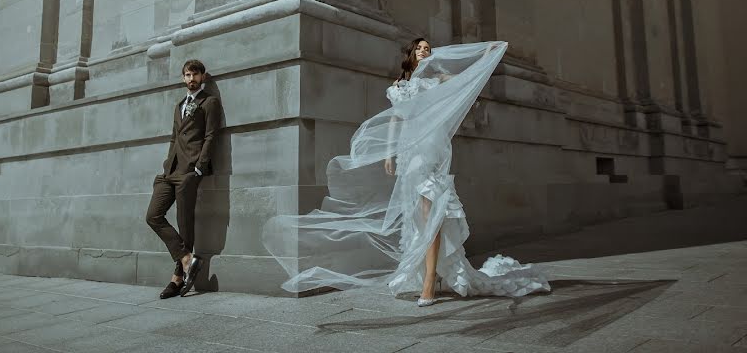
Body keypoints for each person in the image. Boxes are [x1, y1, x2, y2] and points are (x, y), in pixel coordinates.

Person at [263, 39, 549, 306]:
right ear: (411, 54)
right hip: (408, 152)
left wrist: (487, 55)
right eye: (420, 48)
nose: (425, 51)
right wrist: (389, 152)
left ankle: (428, 281)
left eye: (428, 48)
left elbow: (467, 85)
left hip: (431, 148)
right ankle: (430, 273)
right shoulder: (399, 86)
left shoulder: (436, 80)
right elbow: (394, 122)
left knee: (431, 210)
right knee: (418, 213)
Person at [145, 59, 222, 298]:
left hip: (190, 171)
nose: (191, 79)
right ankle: (187, 259)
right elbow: (173, 138)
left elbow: (211, 136)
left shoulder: (209, 102)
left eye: (195, 75)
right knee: (153, 216)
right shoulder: (179, 104)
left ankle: (177, 278)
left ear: (203, 76)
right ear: (183, 78)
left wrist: (199, 168)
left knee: (184, 222)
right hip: (170, 171)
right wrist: (167, 164)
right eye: (187, 75)